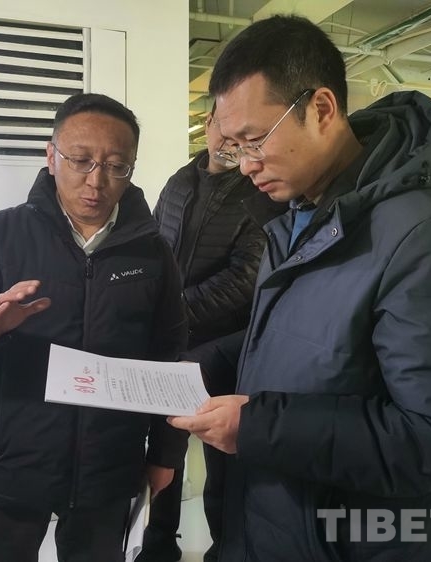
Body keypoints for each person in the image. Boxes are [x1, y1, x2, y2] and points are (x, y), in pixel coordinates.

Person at [169, 15, 431, 562]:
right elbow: (292, 341)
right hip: (266, 521)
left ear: (322, 109)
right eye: (233, 147)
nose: (246, 165)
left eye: (255, 140)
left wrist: (257, 429)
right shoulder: (300, 216)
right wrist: (198, 366)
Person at [0, 93, 189, 562]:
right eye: (80, 160)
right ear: (51, 155)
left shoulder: (151, 252)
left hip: (108, 467)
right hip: (12, 463)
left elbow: (170, 354)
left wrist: (166, 454)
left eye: (116, 166)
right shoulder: (3, 234)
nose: (96, 181)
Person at [136, 106, 285, 562]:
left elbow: (246, 277)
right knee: (165, 449)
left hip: (224, 350)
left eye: (243, 133)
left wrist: (173, 311)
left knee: (224, 460)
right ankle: (159, 545)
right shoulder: (180, 181)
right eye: (224, 127)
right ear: (208, 125)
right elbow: (154, 245)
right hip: (171, 344)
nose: (231, 141)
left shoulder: (258, 191)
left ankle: (225, 551)